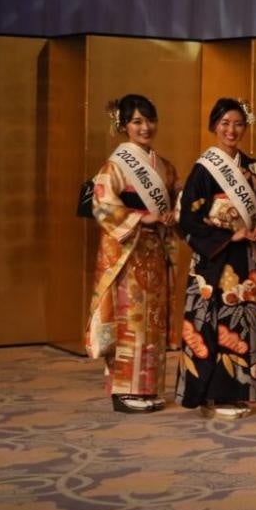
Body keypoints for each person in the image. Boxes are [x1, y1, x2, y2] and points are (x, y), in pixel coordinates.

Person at [175, 97, 256, 418]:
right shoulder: (204, 169)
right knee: (212, 325)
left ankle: (239, 392)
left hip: (247, 260)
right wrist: (228, 235)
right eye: (225, 123)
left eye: (238, 124)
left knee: (243, 323)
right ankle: (213, 395)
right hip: (214, 258)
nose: (232, 130)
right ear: (214, 125)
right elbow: (187, 218)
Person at [88, 94, 179, 413]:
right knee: (131, 320)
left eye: (150, 120)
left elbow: (176, 198)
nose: (145, 127)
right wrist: (141, 218)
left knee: (152, 321)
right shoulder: (115, 165)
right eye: (137, 121)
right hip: (128, 253)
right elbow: (103, 205)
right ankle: (124, 390)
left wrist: (173, 215)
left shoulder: (165, 167)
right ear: (123, 125)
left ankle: (149, 387)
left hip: (155, 251)